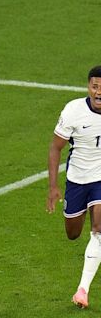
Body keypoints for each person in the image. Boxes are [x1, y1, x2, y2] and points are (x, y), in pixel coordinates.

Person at [47, 65, 101, 308]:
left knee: (99, 229)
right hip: (77, 180)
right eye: (95, 86)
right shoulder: (73, 110)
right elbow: (56, 147)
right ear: (88, 86)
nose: (98, 92)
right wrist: (53, 187)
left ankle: (82, 290)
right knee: (73, 233)